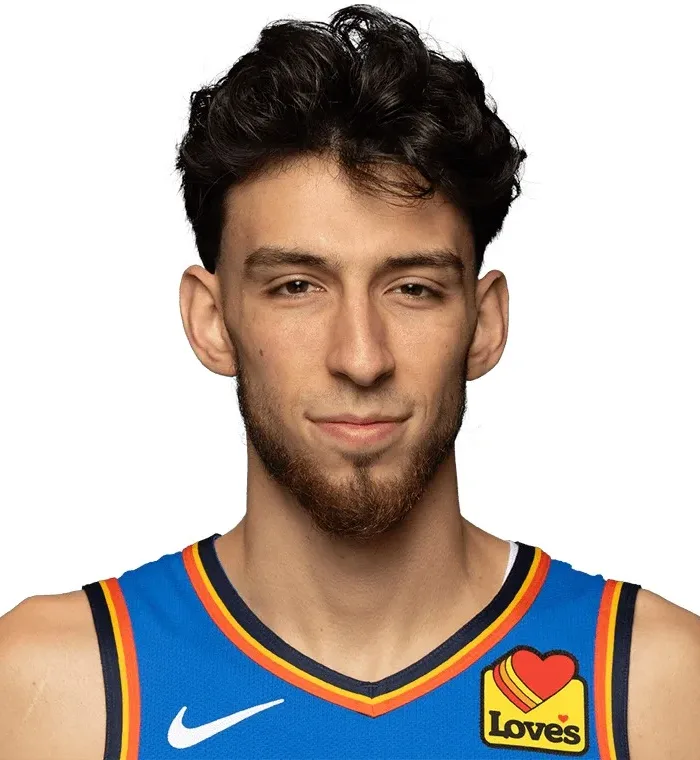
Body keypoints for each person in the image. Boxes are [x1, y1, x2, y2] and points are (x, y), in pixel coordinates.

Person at [1, 4, 699, 759]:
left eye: (413, 289)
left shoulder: (651, 684)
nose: (362, 357)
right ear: (210, 320)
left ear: (485, 323)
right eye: (297, 287)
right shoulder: (61, 684)